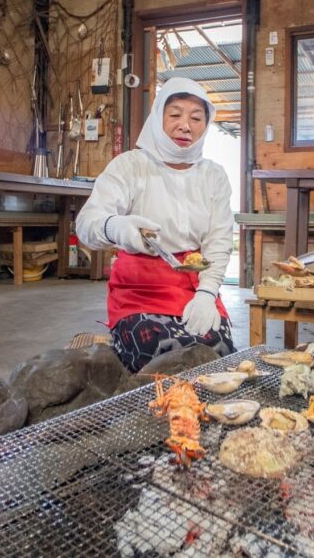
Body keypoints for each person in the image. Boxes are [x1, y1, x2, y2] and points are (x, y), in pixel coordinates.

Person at [76, 77, 235, 372]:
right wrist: (117, 228)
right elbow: (87, 223)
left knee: (219, 355)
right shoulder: (130, 165)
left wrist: (207, 293)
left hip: (194, 286)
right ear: (157, 117)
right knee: (157, 357)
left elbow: (220, 239)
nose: (185, 125)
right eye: (175, 115)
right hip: (139, 290)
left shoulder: (214, 176)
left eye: (196, 118)